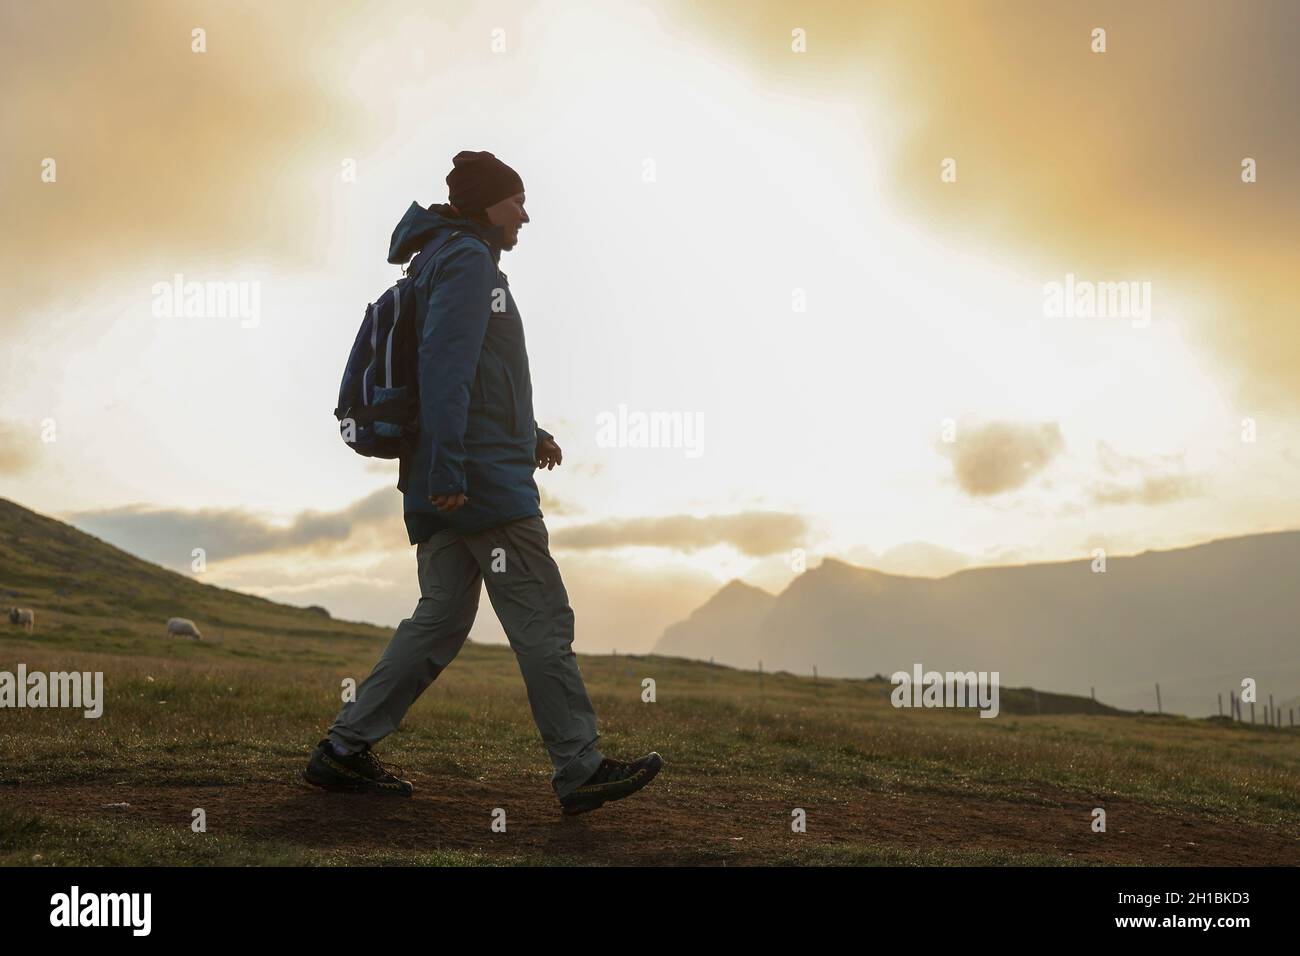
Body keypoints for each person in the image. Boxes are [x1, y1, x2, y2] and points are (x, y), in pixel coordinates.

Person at [304, 150, 661, 816]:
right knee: (542, 621)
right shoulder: (468, 263)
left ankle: (343, 750)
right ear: (486, 204)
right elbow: (446, 367)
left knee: (437, 622)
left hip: (448, 482)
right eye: (516, 200)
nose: (525, 213)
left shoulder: (439, 260)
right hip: (478, 488)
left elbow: (477, 379)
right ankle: (580, 768)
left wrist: (529, 436)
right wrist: (452, 471)